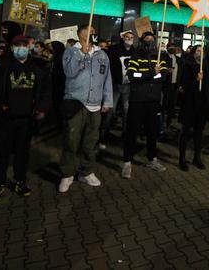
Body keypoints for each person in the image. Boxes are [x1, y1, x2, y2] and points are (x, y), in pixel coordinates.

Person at [0, 35, 51, 202]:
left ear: (29, 48)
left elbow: (46, 90)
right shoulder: (2, 64)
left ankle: (20, 181)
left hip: (27, 118)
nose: (20, 49)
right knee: (1, 153)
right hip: (5, 117)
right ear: (12, 48)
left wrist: (42, 108)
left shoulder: (38, 66)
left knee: (22, 153)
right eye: (17, 46)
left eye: (24, 46)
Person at [58, 25, 112, 192]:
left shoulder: (102, 54)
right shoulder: (71, 52)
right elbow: (69, 72)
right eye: (88, 29)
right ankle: (67, 174)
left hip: (95, 105)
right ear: (80, 33)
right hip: (76, 103)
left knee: (90, 142)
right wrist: (81, 54)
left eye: (94, 30)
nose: (93, 31)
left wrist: (108, 100)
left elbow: (107, 78)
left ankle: (86, 171)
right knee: (71, 141)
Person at [122, 31, 168, 178]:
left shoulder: (159, 57)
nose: (149, 41)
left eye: (151, 39)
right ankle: (127, 162)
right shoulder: (136, 56)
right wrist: (151, 74)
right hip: (138, 101)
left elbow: (164, 76)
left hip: (153, 102)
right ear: (142, 41)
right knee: (132, 132)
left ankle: (152, 159)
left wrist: (149, 76)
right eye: (146, 39)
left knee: (152, 132)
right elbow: (131, 75)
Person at [177, 47, 209, 171]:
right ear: (193, 53)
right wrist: (196, 80)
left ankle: (196, 156)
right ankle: (182, 159)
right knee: (185, 132)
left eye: (202, 51)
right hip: (190, 104)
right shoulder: (187, 66)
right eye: (197, 51)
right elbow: (184, 86)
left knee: (199, 133)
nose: (200, 53)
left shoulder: (206, 68)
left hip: (202, 105)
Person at [103, 30, 135, 148]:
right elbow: (110, 65)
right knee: (111, 109)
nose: (130, 39)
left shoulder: (134, 51)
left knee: (127, 110)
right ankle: (104, 133)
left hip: (128, 85)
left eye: (131, 37)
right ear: (123, 38)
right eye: (127, 37)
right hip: (116, 84)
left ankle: (125, 132)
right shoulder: (114, 49)